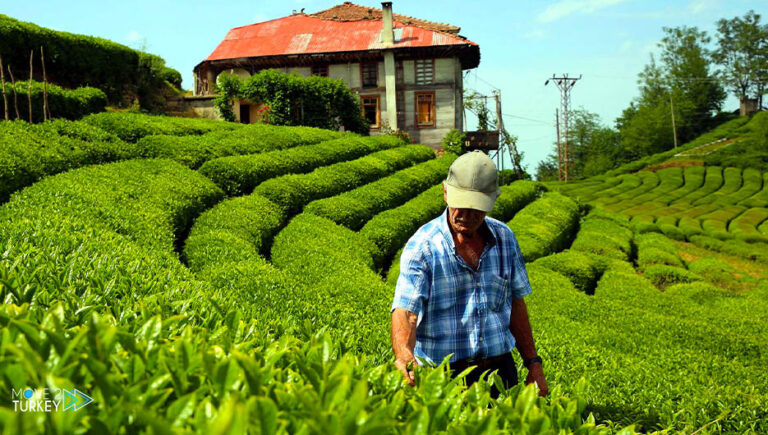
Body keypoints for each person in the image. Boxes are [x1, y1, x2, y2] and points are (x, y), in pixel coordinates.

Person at [390, 151, 548, 397]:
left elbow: (516, 304)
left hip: (500, 373)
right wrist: (404, 356)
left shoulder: (505, 238)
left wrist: (533, 363)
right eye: (460, 204)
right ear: (445, 192)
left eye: (476, 208)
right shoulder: (423, 246)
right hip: (443, 377)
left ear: (493, 201)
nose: (466, 215)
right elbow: (406, 311)